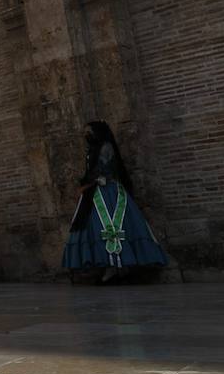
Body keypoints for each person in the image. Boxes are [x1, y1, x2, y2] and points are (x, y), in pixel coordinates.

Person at [63, 121, 167, 283]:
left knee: (118, 225)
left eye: (89, 131)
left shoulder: (106, 147)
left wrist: (86, 183)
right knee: (97, 227)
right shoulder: (92, 149)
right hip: (95, 192)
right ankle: (110, 266)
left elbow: (102, 168)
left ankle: (121, 266)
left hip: (108, 190)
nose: (86, 135)